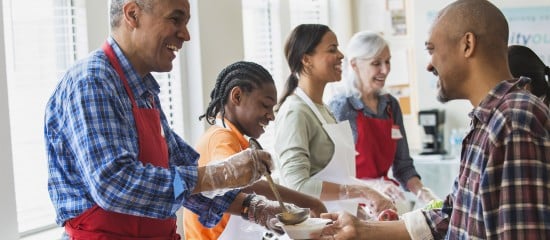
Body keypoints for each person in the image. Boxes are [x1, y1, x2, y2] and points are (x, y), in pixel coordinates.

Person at [44, 1, 277, 239]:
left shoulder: (144, 92)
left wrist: (254, 208)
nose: (186, 35)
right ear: (132, 14)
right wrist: (216, 174)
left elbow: (180, 182)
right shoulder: (92, 82)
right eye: (175, 20)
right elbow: (114, 186)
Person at [319, 0, 550, 239]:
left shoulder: (514, 120)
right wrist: (362, 229)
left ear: (467, 45)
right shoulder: (486, 120)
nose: (429, 65)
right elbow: (454, 213)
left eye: (432, 50)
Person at [182, 61, 327, 240]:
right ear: (237, 96)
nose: (271, 116)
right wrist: (310, 202)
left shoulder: (235, 138)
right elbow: (238, 180)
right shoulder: (221, 137)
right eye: (265, 105)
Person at [272, 23, 396, 219]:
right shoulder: (295, 112)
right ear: (307, 60)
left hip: (338, 225)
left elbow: (337, 181)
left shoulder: (323, 109)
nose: (341, 55)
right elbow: (297, 186)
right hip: (316, 228)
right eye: (332, 49)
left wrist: (364, 216)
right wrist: (364, 191)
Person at [327, 31, 438, 207]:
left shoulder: (391, 105)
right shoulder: (341, 107)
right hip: (349, 205)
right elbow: (332, 175)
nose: (385, 70)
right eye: (376, 63)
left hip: (385, 200)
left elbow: (403, 167)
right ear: (354, 65)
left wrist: (425, 194)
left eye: (388, 61)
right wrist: (373, 186)